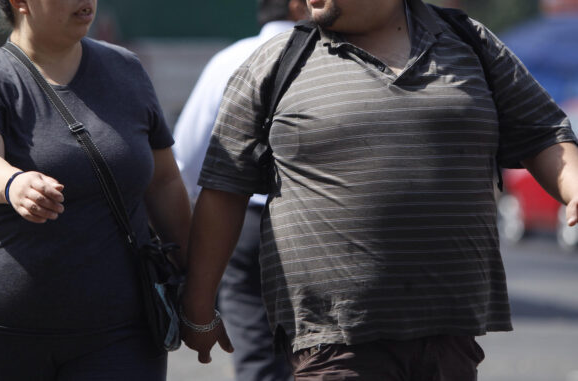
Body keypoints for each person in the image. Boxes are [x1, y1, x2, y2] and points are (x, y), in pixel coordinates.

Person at [180, 0, 578, 379]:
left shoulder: (470, 42)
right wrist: (200, 308)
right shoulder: (277, 61)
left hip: (450, 333)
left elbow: (543, 133)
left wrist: (572, 187)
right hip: (333, 342)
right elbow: (223, 189)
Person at [0, 0, 190, 380]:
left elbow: (165, 181)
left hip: (121, 333)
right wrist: (12, 183)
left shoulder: (126, 70)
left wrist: (198, 289)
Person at [173, 1, 307, 380]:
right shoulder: (333, 52)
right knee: (332, 352)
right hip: (319, 219)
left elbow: (185, 158)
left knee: (259, 356)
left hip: (243, 224)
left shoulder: (230, 59)